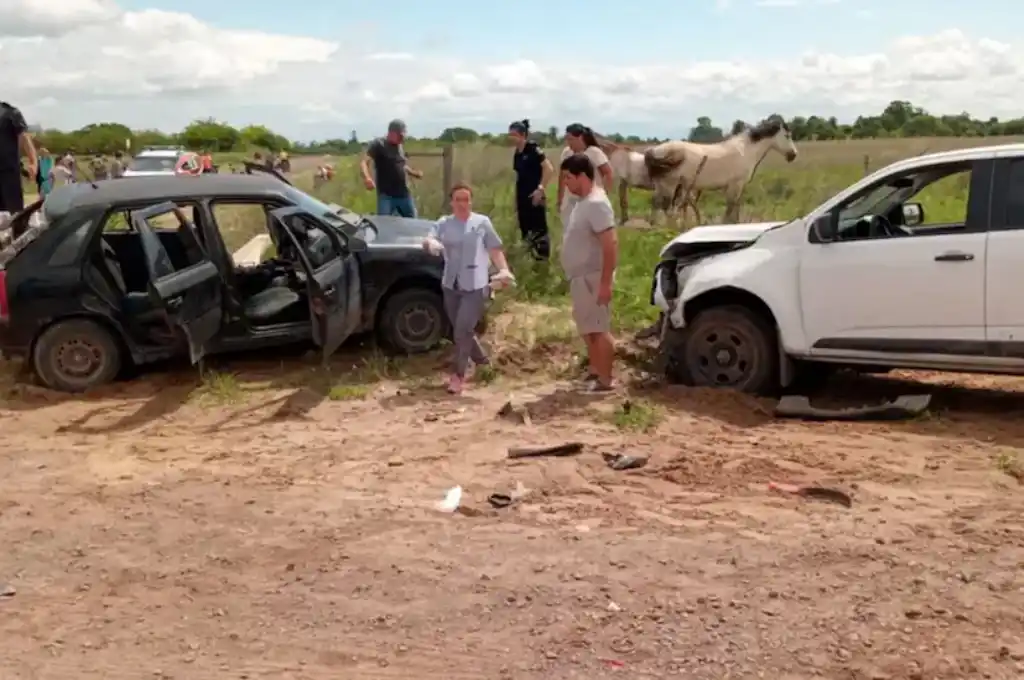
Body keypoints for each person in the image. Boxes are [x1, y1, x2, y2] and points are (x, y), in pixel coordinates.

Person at [423, 183, 514, 395]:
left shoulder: (482, 223)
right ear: (451, 202)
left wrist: (504, 270)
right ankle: (482, 361)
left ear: (471, 201)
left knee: (462, 330)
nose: (463, 204)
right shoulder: (445, 223)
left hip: (475, 284)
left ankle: (459, 375)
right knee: (461, 329)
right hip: (450, 284)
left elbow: (495, 249)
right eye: (458, 200)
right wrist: (430, 244)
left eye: (466, 199)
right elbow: (429, 238)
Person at [560, 153, 618, 392]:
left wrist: (605, 283)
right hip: (580, 278)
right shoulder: (582, 202)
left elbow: (610, 244)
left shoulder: (596, 204)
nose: (565, 183)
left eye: (567, 178)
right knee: (588, 329)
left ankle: (605, 380)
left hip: (593, 276)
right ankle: (595, 372)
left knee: (598, 329)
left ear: (581, 176)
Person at [508, 119, 554, 261]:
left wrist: (540, 189)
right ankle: (530, 260)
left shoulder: (533, 149)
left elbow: (549, 169)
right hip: (522, 196)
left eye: (514, 134)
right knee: (525, 230)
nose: (511, 137)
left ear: (523, 135)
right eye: (510, 134)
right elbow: (519, 176)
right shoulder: (517, 152)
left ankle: (542, 261)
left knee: (539, 231)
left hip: (535, 196)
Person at [361, 119, 423, 218]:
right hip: (387, 196)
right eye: (400, 136)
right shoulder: (379, 144)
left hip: (404, 194)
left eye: (403, 136)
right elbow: (364, 162)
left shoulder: (400, 147)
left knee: (413, 222)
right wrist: (367, 178)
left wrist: (414, 173)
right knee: (384, 224)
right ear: (391, 133)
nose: (402, 139)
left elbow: (401, 165)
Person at [557, 123, 613, 227]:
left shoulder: (594, 152)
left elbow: (608, 173)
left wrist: (604, 194)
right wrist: (560, 199)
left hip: (590, 199)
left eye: (571, 139)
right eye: (567, 139)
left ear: (580, 138)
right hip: (570, 200)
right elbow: (561, 178)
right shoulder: (566, 153)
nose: (569, 143)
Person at [0, 102, 37, 213]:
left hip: (8, 172)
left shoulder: (10, 112)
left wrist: (33, 162)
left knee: (14, 213)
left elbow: (24, 136)